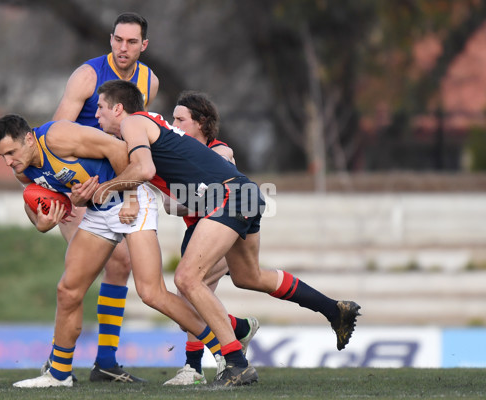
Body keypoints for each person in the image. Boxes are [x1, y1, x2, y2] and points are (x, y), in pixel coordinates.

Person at [93, 80, 362, 387]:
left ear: (118, 108)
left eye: (100, 108)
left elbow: (143, 169)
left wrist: (105, 189)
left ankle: (235, 362)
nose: (96, 115)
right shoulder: (143, 131)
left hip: (228, 197)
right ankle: (334, 309)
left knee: (187, 280)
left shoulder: (133, 122)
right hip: (242, 195)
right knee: (248, 276)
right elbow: (150, 177)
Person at [0, 114, 241, 388]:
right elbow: (31, 197)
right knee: (68, 290)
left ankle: (223, 350)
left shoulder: (57, 137)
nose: (8, 161)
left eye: (11, 152)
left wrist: (130, 197)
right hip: (99, 210)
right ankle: (58, 374)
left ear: (28, 138)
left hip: (131, 201)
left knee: (151, 293)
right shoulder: (21, 167)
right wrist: (40, 223)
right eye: (3, 156)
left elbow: (119, 149)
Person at [42, 11, 160, 383]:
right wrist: (70, 190)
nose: (122, 48)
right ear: (110, 39)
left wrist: (127, 190)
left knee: (120, 264)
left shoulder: (148, 80)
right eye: (117, 40)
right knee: (79, 279)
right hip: (77, 189)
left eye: (131, 42)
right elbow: (57, 136)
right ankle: (58, 364)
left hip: (114, 187)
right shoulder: (88, 76)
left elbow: (132, 138)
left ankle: (104, 362)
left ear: (144, 45)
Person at [162, 91, 258, 386]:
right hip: (196, 230)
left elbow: (221, 176)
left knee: (192, 294)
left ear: (201, 123)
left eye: (179, 119)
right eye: (172, 118)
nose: (172, 123)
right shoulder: (176, 154)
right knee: (186, 308)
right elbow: (169, 205)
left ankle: (215, 361)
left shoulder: (219, 150)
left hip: (219, 229)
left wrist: (192, 198)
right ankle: (238, 329)